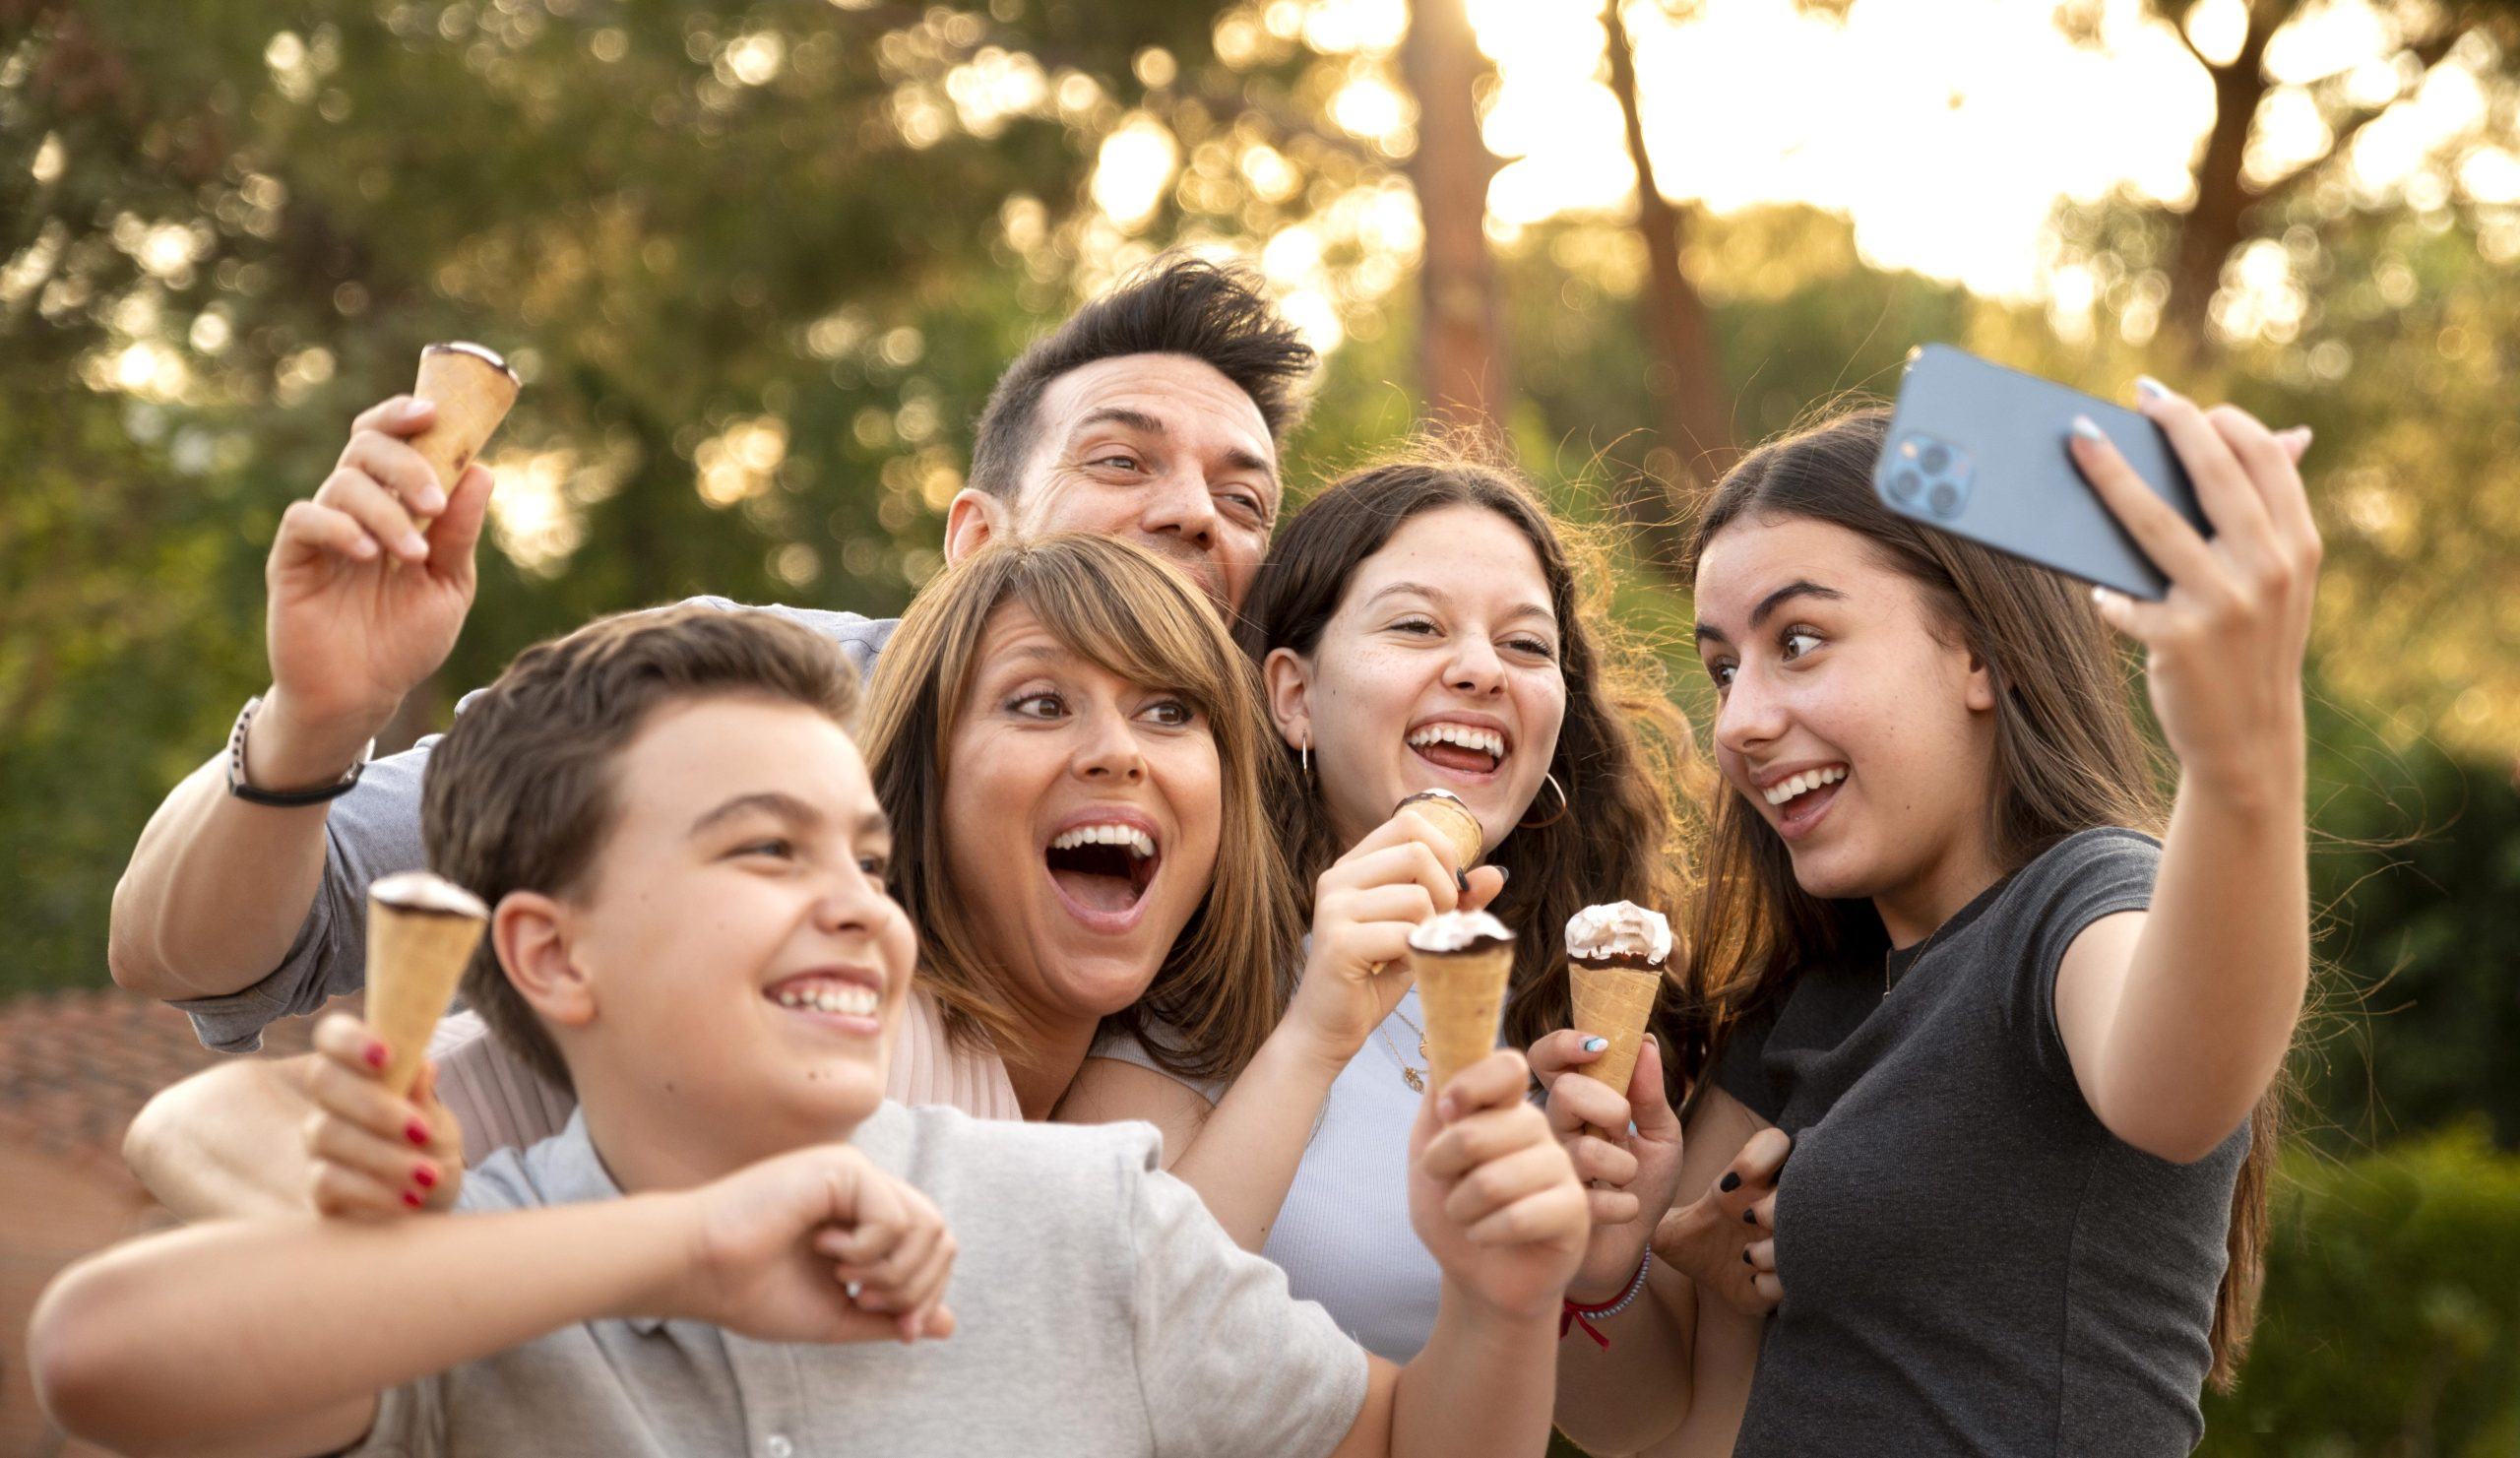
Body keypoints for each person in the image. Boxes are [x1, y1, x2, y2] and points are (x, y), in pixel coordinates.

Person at [32, 604, 1592, 1458]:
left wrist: (1503, 1309)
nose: (855, 904)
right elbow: (100, 1359)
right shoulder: (467, 1279)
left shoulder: (1087, 1216)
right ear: (550, 954)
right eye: (763, 849)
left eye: (862, 857)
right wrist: (688, 1248)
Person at [106, 255, 1314, 1055]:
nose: (1195, 515)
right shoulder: (731, 696)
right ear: (972, 540)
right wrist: (318, 714)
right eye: (1120, 460)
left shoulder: (1268, 824)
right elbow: (187, 952)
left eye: (1244, 500)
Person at [1545, 388, 2319, 1455]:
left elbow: (2178, 1086)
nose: (1740, 722)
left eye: (1800, 640)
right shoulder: (1806, 1001)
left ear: (1976, 653)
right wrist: (1602, 1257)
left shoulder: (2078, 903)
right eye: (1725, 666)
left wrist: (2242, 750)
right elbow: (1646, 1422)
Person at [124, 534, 1302, 1219]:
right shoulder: (824, 1013)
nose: (1114, 748)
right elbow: (211, 1126)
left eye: (1169, 710)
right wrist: (479, 1284)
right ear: (919, 783)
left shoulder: (1189, 1071)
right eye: (1040, 702)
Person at [1060, 450, 1699, 1360]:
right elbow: (1107, 1337)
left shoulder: (1563, 1012)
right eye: (1415, 625)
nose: (1483, 668)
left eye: (1526, 644)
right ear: (1294, 696)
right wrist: (1314, 1034)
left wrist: (1590, 1274)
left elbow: (1638, 1424)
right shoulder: (1174, 961)